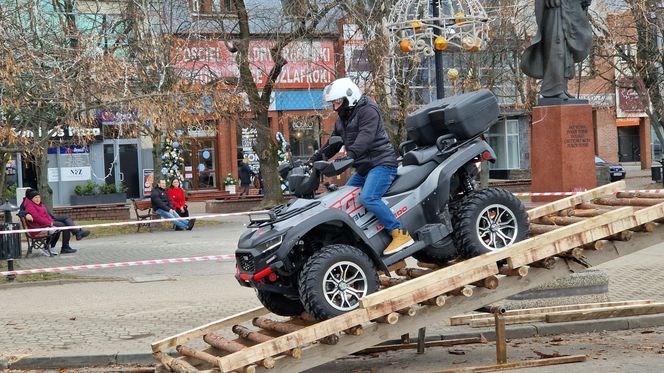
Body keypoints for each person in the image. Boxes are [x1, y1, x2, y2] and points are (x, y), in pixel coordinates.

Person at [310, 77, 413, 255]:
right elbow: (333, 143)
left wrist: (349, 156)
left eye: (337, 102)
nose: (335, 107)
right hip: (364, 168)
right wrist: (314, 159)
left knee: (368, 198)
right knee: (344, 199)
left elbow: (365, 137)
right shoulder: (343, 118)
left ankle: (400, 233)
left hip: (382, 163)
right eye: (333, 103)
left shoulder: (368, 110)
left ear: (349, 97)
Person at [520, 0, 592, 100]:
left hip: (567, 15)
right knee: (557, 52)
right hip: (555, 14)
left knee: (566, 54)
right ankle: (553, 90)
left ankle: (562, 89)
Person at [20, 189, 90, 256]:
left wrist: (50, 222)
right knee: (63, 225)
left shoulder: (39, 204)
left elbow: (46, 215)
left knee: (64, 223)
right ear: (31, 198)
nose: (38, 199)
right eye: (36, 197)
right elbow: (37, 218)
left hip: (45, 224)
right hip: (39, 227)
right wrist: (49, 223)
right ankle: (69, 241)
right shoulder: (30, 205)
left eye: (39, 197)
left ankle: (71, 239)